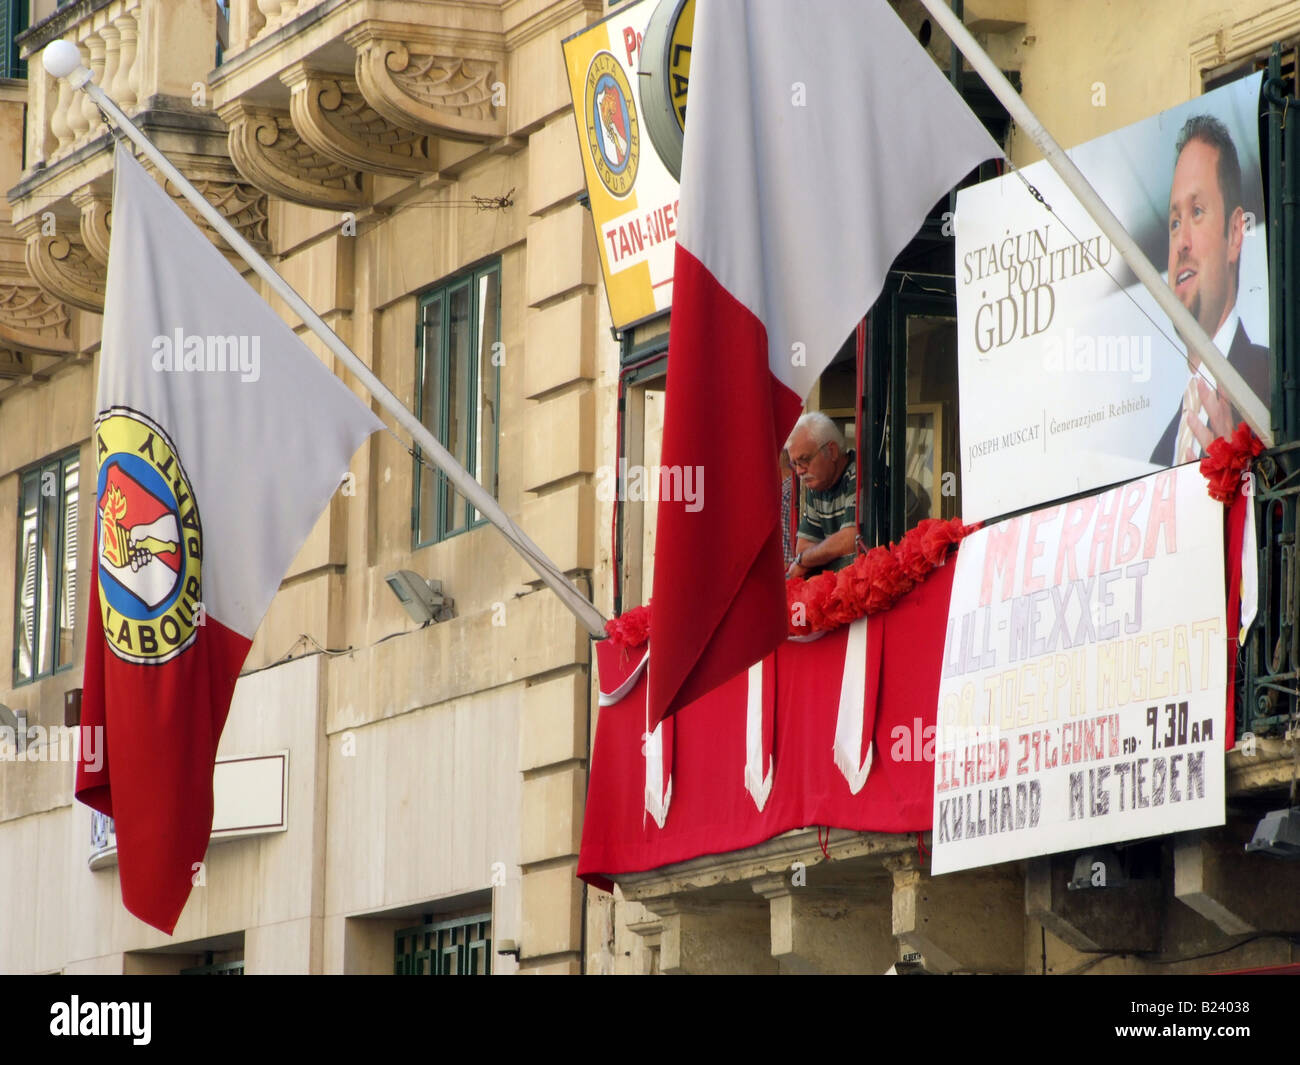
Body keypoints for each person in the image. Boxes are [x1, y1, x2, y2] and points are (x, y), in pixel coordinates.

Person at [1151, 113, 1270, 466]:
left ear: (1235, 234)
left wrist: (1246, 469)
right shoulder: (1158, 456)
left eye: (1197, 211)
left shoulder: (1273, 384)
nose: (1181, 244)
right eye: (1175, 223)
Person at [785, 412, 857, 578]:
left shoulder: (861, 473)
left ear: (831, 451)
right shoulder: (817, 484)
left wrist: (804, 560)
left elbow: (850, 539)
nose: (800, 471)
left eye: (804, 460)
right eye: (794, 464)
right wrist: (808, 557)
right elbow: (802, 548)